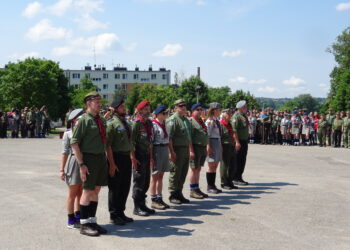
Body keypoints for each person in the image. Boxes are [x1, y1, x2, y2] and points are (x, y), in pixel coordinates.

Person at [71, 91, 108, 237]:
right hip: (89, 159)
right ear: (88, 104)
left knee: (96, 190)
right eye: (96, 101)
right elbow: (74, 143)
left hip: (100, 158)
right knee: (87, 190)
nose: (100, 104)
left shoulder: (101, 120)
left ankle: (92, 221)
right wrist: (81, 164)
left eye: (100, 101)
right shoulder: (83, 120)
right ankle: (84, 224)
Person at [106, 97, 134, 225]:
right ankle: (113, 214)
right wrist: (112, 164)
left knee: (125, 186)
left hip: (126, 157)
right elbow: (108, 146)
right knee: (115, 187)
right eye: (122, 107)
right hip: (116, 157)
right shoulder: (112, 123)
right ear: (116, 109)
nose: (125, 108)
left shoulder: (126, 123)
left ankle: (121, 212)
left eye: (124, 106)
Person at [60, 108, 84, 229]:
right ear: (74, 120)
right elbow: (64, 152)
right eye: (80, 117)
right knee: (73, 193)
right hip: (74, 162)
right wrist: (61, 170)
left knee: (81, 191)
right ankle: (70, 219)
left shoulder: (85, 131)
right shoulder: (68, 133)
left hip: (85, 162)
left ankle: (78, 215)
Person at [131, 100, 155, 216]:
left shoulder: (149, 123)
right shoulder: (136, 124)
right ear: (140, 111)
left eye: (148, 109)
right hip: (138, 155)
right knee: (139, 182)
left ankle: (143, 205)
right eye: (145, 109)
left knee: (146, 182)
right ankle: (137, 207)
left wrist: (151, 157)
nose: (148, 111)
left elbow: (150, 142)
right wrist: (133, 158)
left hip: (146, 155)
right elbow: (131, 142)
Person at [167, 99, 193, 204]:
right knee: (175, 172)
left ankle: (179, 192)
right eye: (180, 106)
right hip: (176, 149)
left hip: (185, 149)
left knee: (183, 172)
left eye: (184, 106)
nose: (183, 107)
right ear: (176, 108)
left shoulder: (185, 120)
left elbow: (189, 137)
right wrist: (171, 152)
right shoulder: (173, 120)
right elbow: (169, 138)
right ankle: (173, 195)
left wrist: (190, 150)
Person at [149, 105, 171, 210]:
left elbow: (168, 139)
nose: (166, 115)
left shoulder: (164, 124)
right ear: (158, 114)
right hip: (157, 149)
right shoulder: (153, 125)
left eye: (166, 113)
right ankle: (153, 200)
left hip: (164, 149)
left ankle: (159, 197)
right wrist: (151, 157)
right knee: (155, 176)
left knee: (161, 176)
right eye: (164, 113)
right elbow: (151, 143)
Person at [188, 103, 209, 199]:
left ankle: (196, 187)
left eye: (201, 109)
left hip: (202, 147)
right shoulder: (191, 121)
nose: (200, 111)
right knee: (194, 168)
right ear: (193, 111)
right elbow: (189, 138)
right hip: (195, 147)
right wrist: (191, 150)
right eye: (198, 109)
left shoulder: (200, 120)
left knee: (198, 168)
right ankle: (192, 190)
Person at [205, 102, 223, 194]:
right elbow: (207, 135)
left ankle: (213, 185)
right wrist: (208, 146)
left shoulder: (216, 120)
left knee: (215, 165)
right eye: (219, 110)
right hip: (211, 143)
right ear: (214, 110)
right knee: (211, 165)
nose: (220, 111)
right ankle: (209, 186)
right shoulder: (209, 121)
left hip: (217, 143)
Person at [232, 100, 249, 186]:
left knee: (242, 160)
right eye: (245, 107)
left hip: (244, 141)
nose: (246, 108)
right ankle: (235, 178)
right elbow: (234, 130)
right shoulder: (236, 116)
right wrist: (237, 142)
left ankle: (239, 177)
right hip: (239, 141)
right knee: (238, 160)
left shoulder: (243, 116)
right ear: (241, 107)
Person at [220, 108, 238, 190]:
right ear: (223, 116)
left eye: (230, 114)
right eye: (228, 114)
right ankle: (224, 183)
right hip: (225, 146)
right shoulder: (221, 125)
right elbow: (219, 138)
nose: (230, 115)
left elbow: (234, 133)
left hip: (232, 145)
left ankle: (230, 181)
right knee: (225, 165)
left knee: (233, 165)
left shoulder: (230, 124)